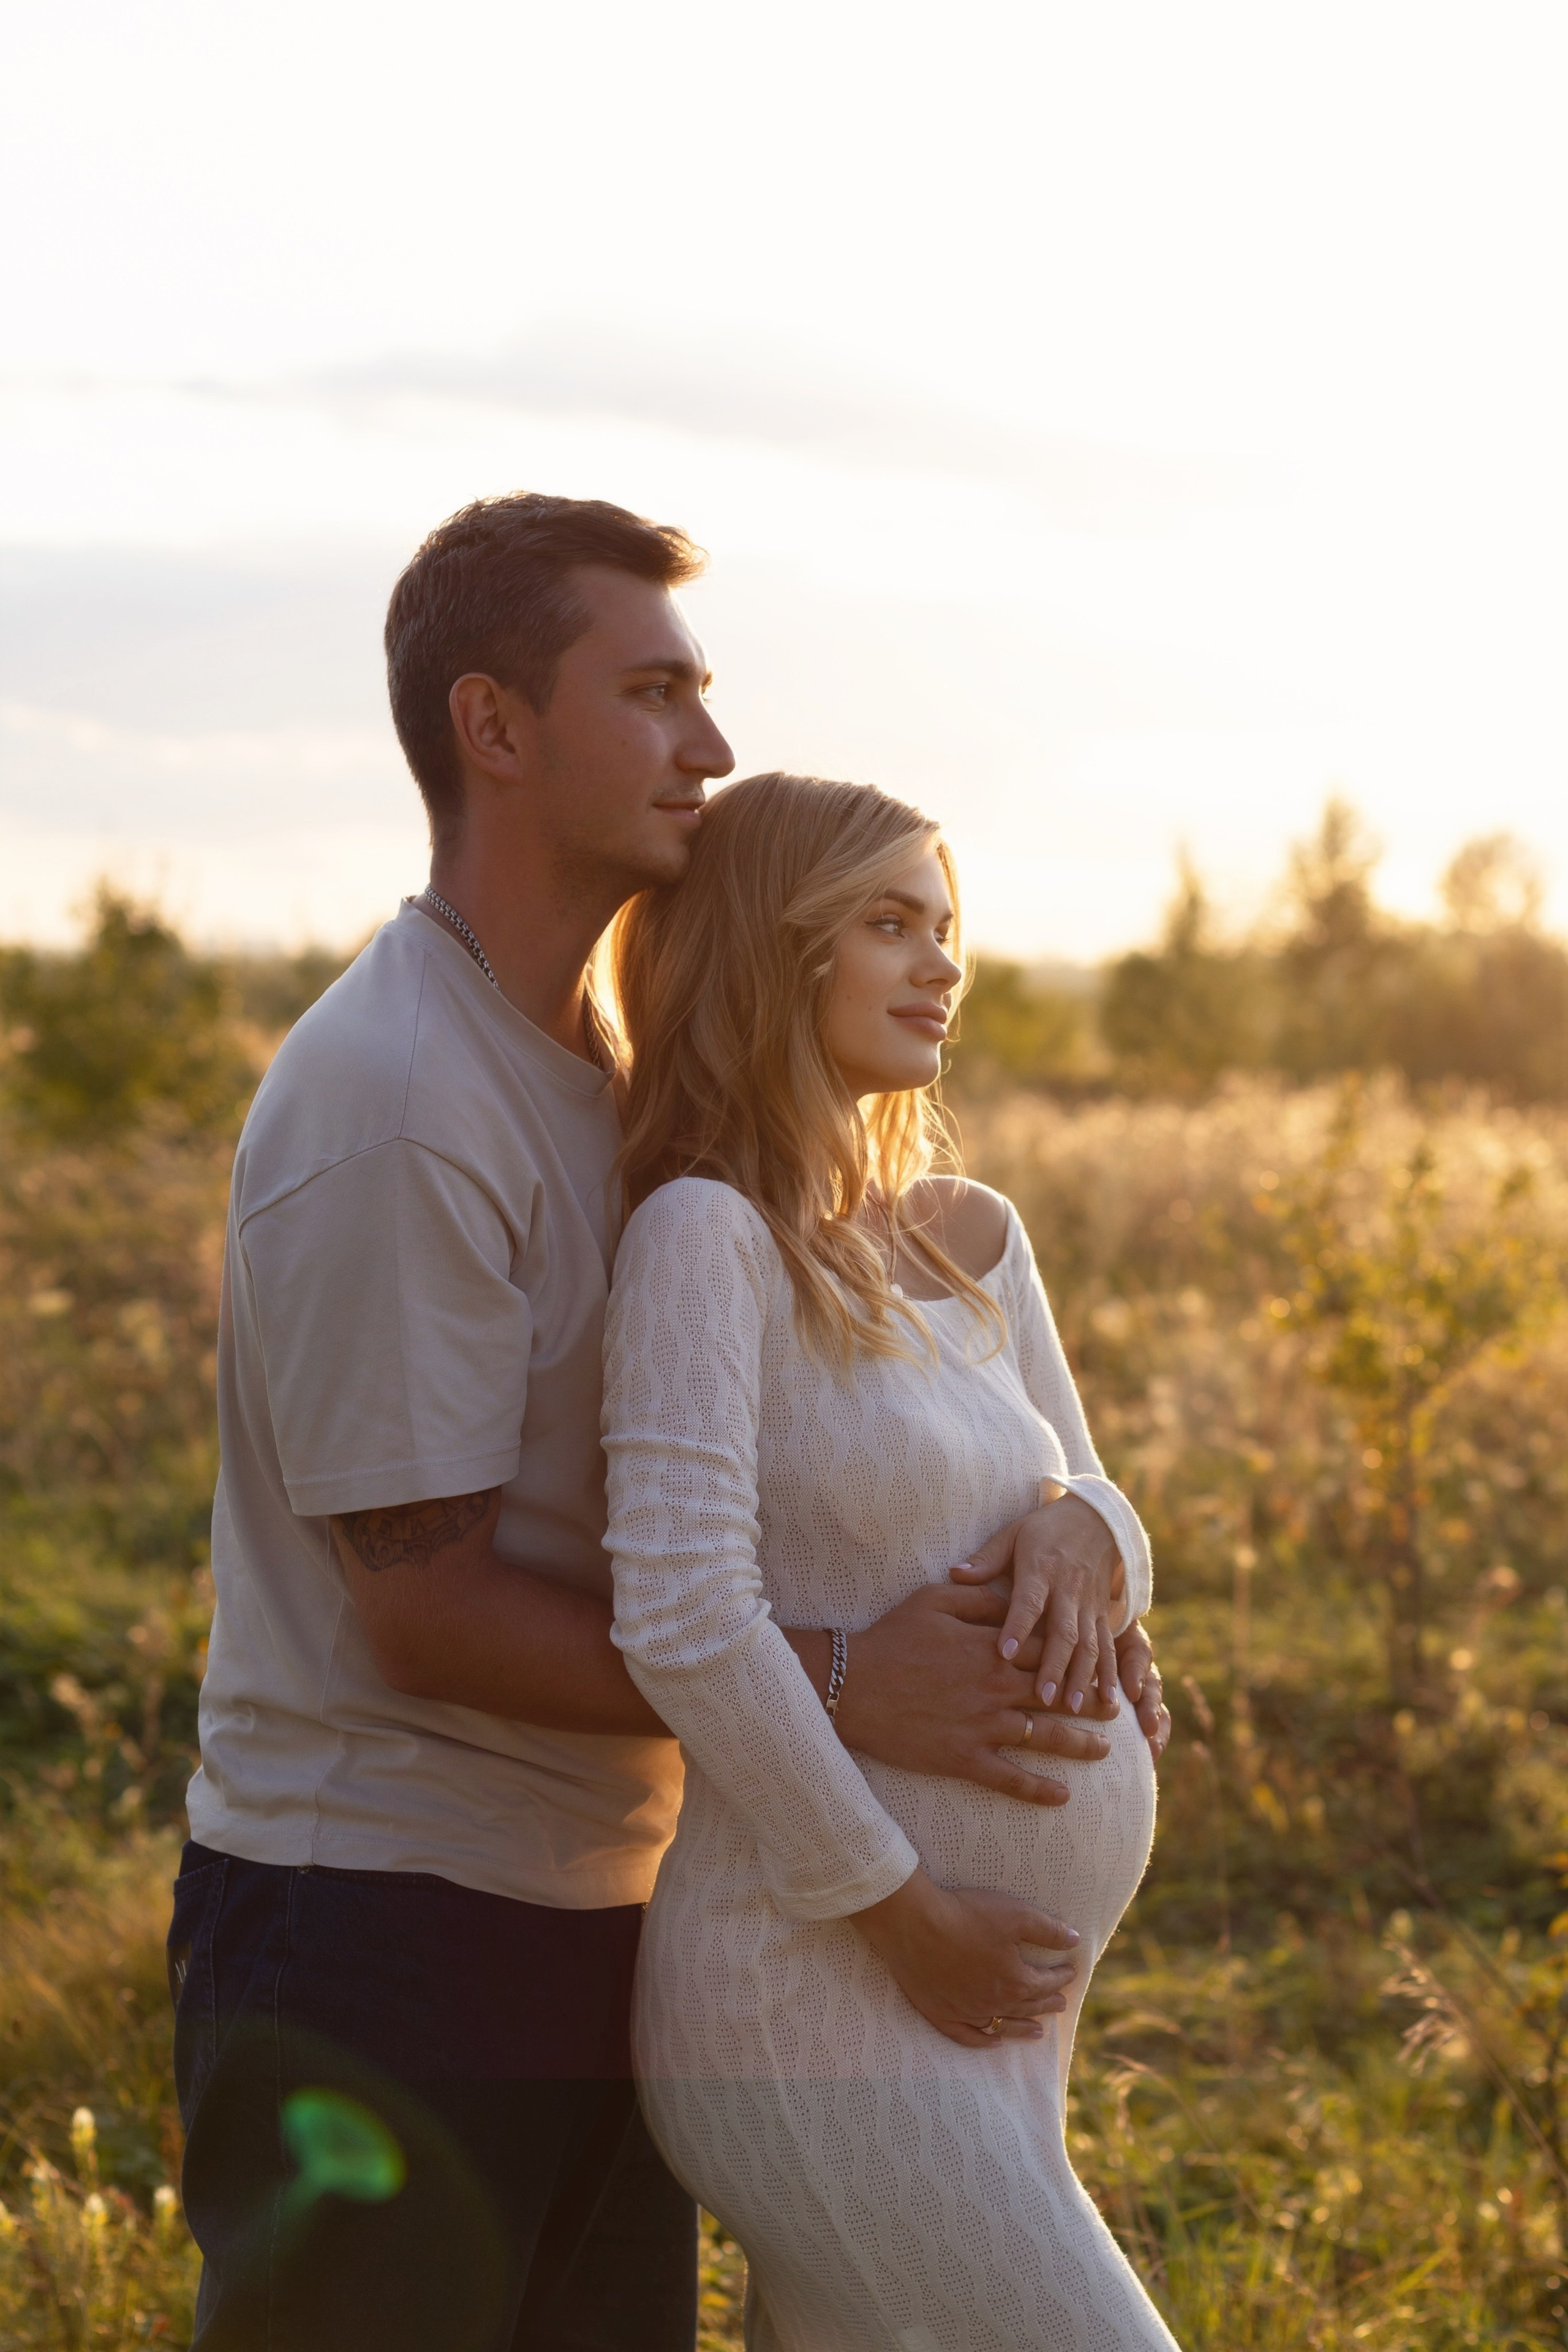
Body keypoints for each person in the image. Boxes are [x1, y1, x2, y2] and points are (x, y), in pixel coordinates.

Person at [168, 491, 1169, 2352]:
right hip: (390, 1922)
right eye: (653, 693)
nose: (710, 748)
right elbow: (425, 1604)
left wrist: (1074, 1535)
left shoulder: (610, 1084)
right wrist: (850, 1686)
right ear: (494, 727)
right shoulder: (400, 1096)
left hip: (619, 1897)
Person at [603, 771, 1179, 2350]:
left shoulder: (973, 1234)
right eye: (888, 924)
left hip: (992, 2000)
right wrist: (903, 1908)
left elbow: (1091, 1486)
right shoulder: (704, 1241)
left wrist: (1092, 1531)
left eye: (946, 928)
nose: (943, 967)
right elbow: (683, 1616)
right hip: (817, 1983)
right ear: (777, 953)